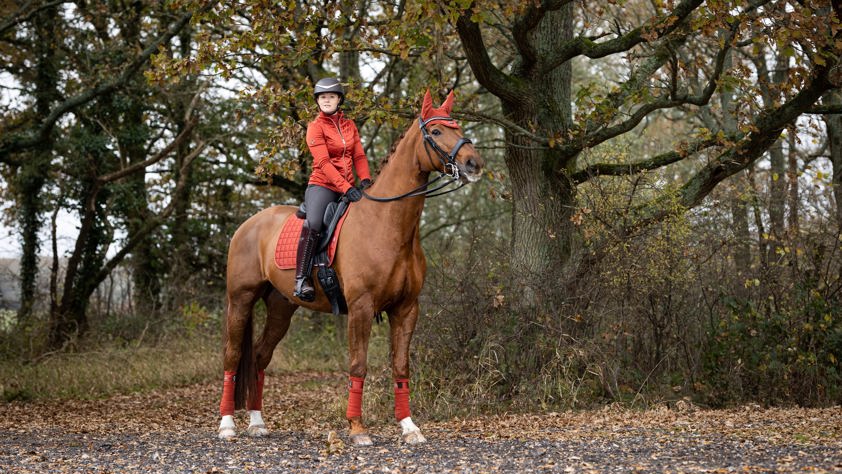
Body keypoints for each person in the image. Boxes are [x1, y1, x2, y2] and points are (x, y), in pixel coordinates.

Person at [294, 77, 372, 301]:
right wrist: (346, 187)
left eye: (331, 96)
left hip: (348, 187)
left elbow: (358, 155)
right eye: (322, 97)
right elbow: (324, 163)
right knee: (315, 223)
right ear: (317, 101)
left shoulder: (350, 125)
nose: (326, 100)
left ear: (339, 99)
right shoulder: (314, 127)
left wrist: (365, 180)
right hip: (322, 185)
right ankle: (301, 278)